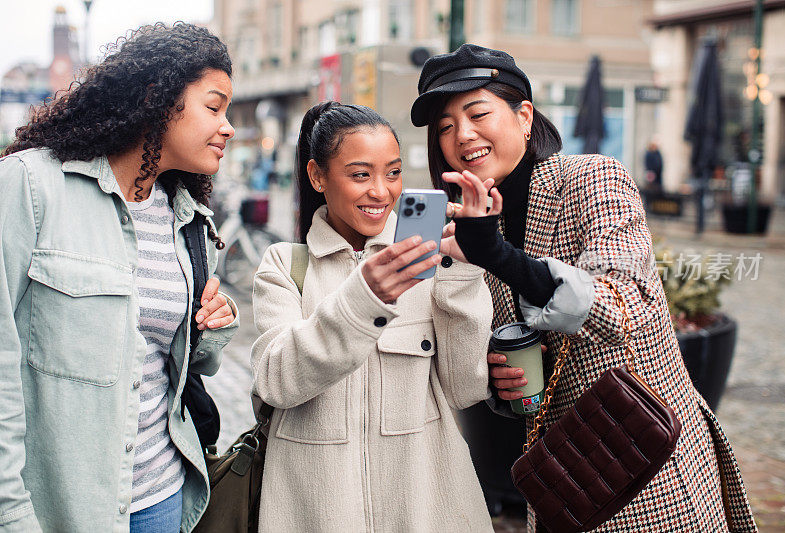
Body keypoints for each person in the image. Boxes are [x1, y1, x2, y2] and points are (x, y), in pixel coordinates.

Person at [411, 43, 757, 532]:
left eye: (477, 113)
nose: (462, 135)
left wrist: (498, 256)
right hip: (565, 488)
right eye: (445, 127)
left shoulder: (593, 178)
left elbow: (621, 308)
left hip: (651, 474)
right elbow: (506, 355)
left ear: (524, 116)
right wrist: (498, 385)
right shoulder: (470, 229)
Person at [0, 23, 239, 533]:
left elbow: (182, 366)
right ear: (157, 98)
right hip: (58, 507)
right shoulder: (29, 186)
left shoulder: (190, 222)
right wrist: (11, 511)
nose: (228, 127)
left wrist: (213, 327)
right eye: (214, 107)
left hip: (163, 496)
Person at [250, 102, 494, 532]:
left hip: (426, 508)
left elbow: (465, 389)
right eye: (361, 175)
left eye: (394, 173)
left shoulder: (430, 259)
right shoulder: (284, 266)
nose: (381, 191)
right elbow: (276, 380)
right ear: (317, 176)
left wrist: (465, 271)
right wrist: (364, 300)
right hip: (316, 512)